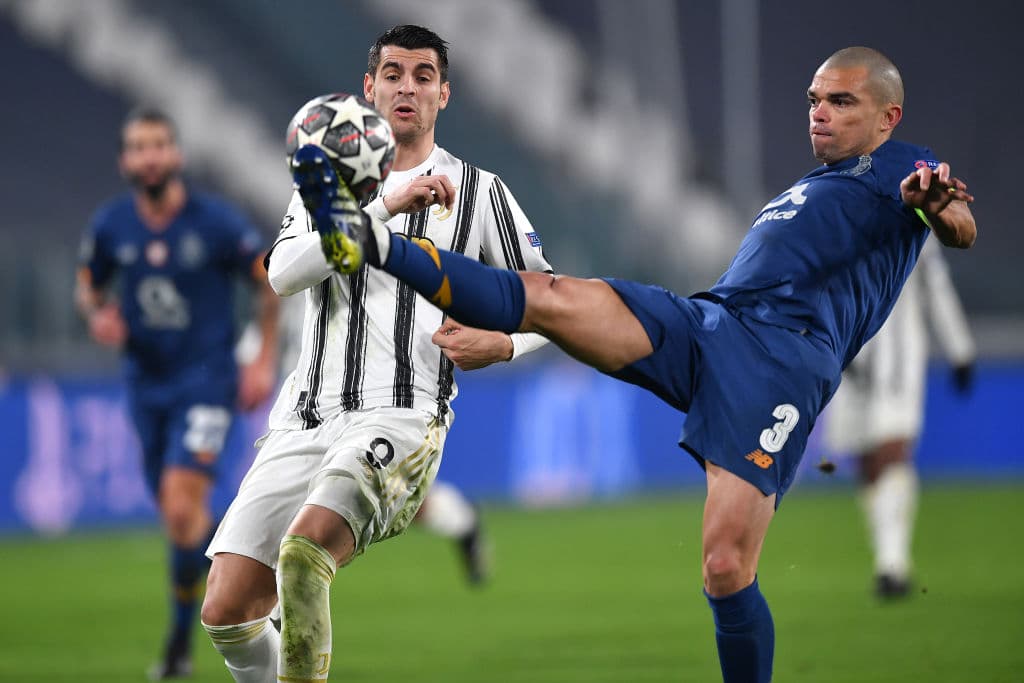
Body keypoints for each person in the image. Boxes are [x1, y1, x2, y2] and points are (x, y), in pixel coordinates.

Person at [300, 46, 977, 682]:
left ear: (887, 117)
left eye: (841, 101)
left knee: (725, 566)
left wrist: (938, 207)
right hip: (710, 322)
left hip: (780, 364)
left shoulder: (902, 170)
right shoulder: (819, 185)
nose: (819, 112)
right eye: (813, 99)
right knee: (553, 295)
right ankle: (371, 242)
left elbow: (957, 225)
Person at [200, 24, 551, 683]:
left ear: (444, 94)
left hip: (402, 416)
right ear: (369, 88)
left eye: (422, 76)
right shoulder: (324, 178)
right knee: (227, 610)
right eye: (392, 74)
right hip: (303, 418)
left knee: (304, 555)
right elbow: (281, 274)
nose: (406, 87)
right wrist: (384, 205)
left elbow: (551, 300)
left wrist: (503, 342)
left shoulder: (479, 192)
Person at [75, 107, 280, 679]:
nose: (150, 156)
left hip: (207, 383)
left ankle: (178, 643)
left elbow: (267, 281)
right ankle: (255, 587)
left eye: (160, 144)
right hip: (146, 387)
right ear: (125, 160)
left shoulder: (215, 222)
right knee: (180, 520)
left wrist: (261, 359)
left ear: (177, 154)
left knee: (183, 502)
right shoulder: (113, 225)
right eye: (139, 147)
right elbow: (87, 285)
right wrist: (97, 315)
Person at [824, 237, 976, 598]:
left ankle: (892, 565)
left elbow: (935, 286)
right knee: (866, 460)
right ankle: (887, 556)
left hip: (898, 356)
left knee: (892, 448)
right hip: (848, 356)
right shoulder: (836, 211)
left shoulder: (914, 221)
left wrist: (960, 348)